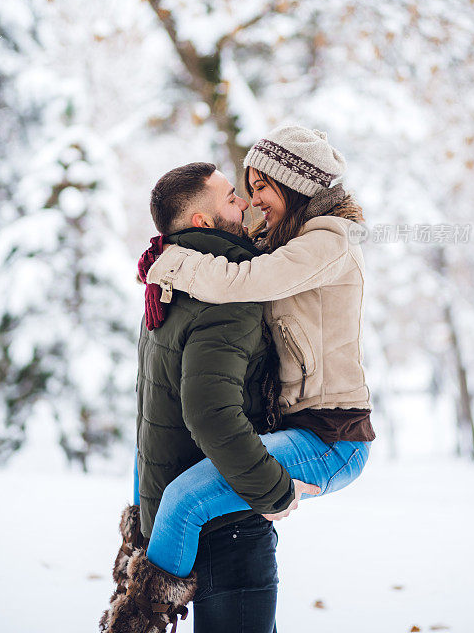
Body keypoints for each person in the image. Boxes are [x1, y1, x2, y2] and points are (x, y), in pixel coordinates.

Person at [140, 125, 375, 628]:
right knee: (183, 500)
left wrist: (172, 259)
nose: (252, 200)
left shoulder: (328, 242)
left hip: (332, 435)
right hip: (299, 428)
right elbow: (228, 246)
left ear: (291, 186)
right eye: (244, 188)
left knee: (184, 500)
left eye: (261, 186)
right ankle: (144, 609)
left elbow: (244, 279)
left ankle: (139, 616)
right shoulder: (282, 243)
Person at [100, 162, 319, 633]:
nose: (244, 202)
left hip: (176, 506)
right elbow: (209, 413)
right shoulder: (226, 289)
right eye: (230, 198)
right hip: (225, 518)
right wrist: (274, 490)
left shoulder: (169, 282)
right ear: (203, 221)